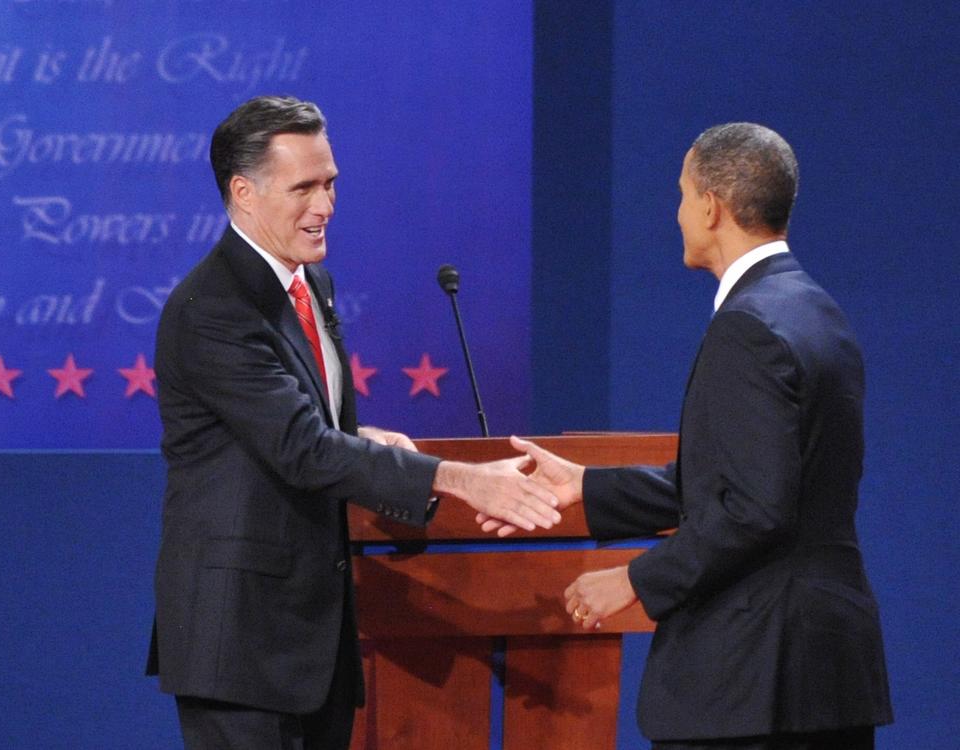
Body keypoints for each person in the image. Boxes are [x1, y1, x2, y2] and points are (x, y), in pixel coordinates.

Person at [146, 95, 561, 750]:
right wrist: (462, 480)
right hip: (240, 643)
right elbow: (302, 447)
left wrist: (361, 437)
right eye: (304, 188)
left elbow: (298, 424)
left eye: (331, 183)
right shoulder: (214, 308)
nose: (325, 205)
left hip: (311, 638)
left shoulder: (314, 286)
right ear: (244, 191)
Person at [482, 123, 893, 749]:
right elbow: (751, 483)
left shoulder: (748, 326)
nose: (676, 213)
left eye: (681, 194)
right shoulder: (817, 312)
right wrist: (588, 488)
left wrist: (635, 580)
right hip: (825, 672)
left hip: (753, 681)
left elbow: (755, 510)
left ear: (711, 206)